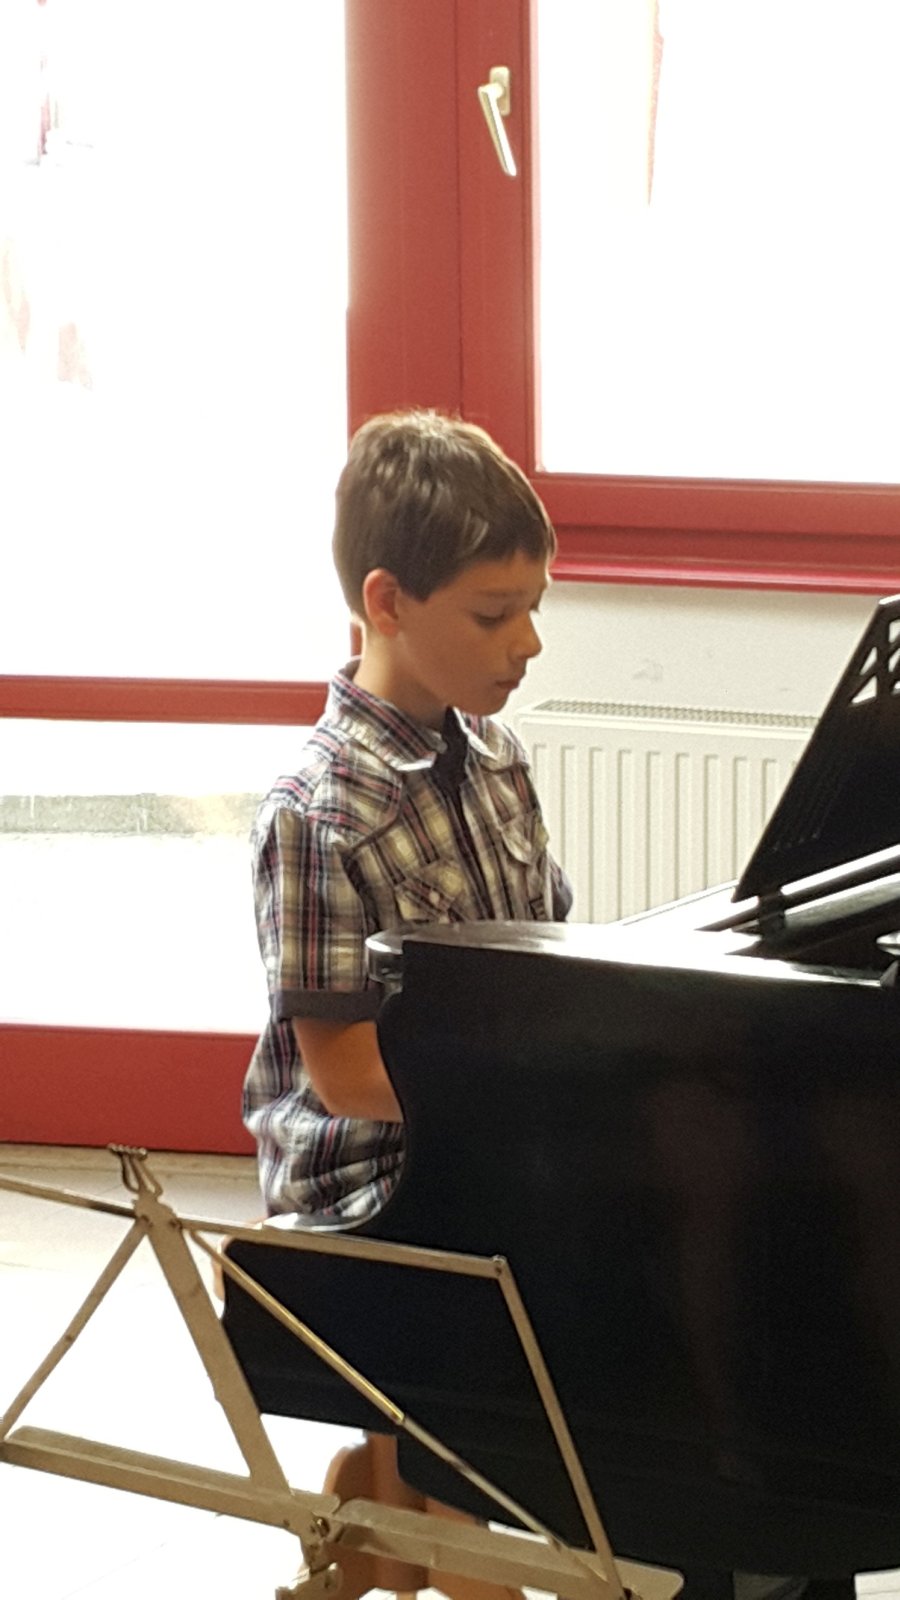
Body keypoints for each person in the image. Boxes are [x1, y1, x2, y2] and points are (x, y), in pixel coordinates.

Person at [242, 407, 571, 1226]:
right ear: (387, 603)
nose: (528, 642)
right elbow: (347, 1076)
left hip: (491, 1130)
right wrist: (540, 1085)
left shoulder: (499, 758)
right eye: (493, 614)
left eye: (534, 607)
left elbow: (556, 965)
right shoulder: (314, 813)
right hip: (369, 1183)